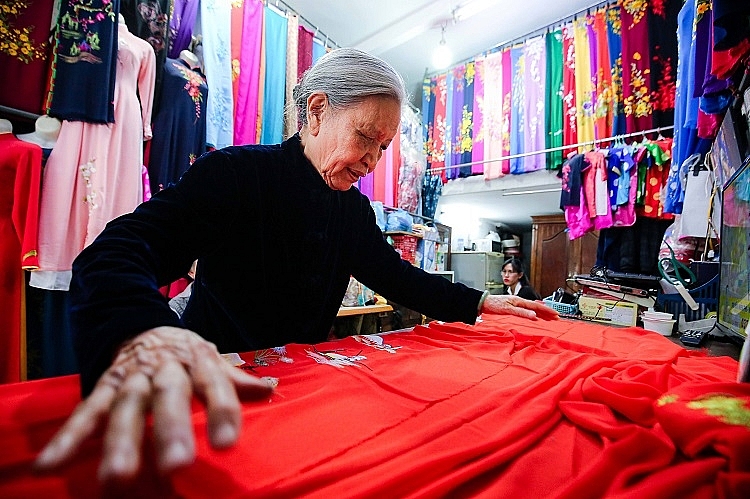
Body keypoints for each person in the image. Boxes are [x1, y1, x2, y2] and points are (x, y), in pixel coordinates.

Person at [34, 48, 558, 482]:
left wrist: (481, 301)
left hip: (303, 390)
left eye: (383, 147)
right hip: (211, 387)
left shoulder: (351, 208)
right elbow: (115, 253)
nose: (373, 161)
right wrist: (145, 331)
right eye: (365, 138)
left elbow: (393, 275)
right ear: (316, 111)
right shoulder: (236, 175)